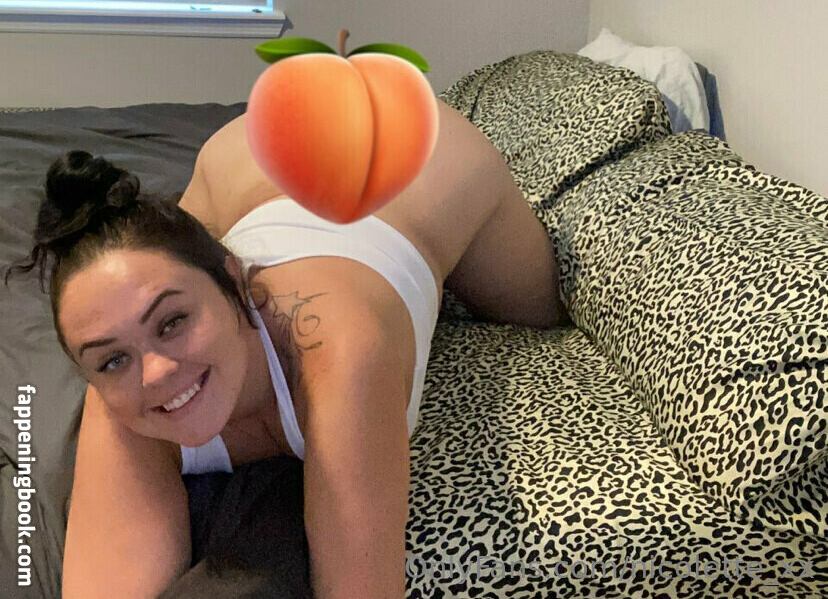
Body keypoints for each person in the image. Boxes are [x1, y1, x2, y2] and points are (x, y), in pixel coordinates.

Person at [4, 96, 569, 599]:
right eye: (112, 358)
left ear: (235, 280)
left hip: (415, 157)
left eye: (172, 322)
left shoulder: (343, 358)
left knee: (540, 308)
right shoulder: (124, 396)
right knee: (154, 251)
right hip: (241, 162)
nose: (155, 372)